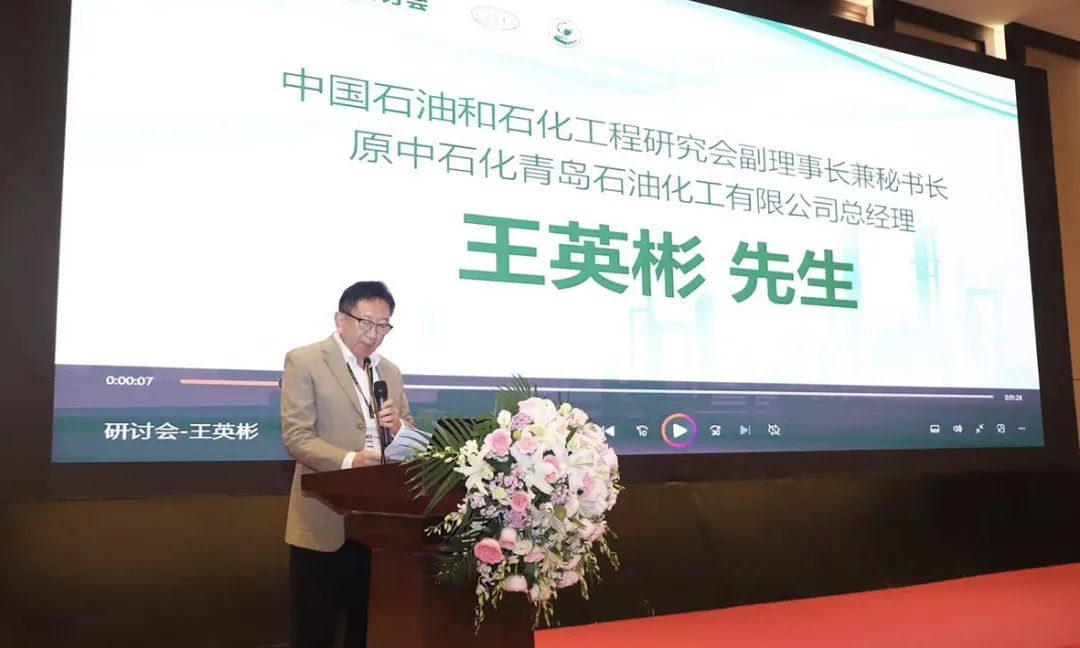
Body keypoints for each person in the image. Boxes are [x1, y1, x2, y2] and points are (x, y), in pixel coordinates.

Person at [280, 280, 425, 648]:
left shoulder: (390, 371)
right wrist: (351, 461)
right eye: (366, 323)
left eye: (383, 326)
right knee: (314, 633)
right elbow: (297, 437)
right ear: (340, 319)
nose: (373, 334)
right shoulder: (305, 360)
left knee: (368, 632)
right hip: (323, 523)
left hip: (380, 527)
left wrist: (399, 428)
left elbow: (411, 437)